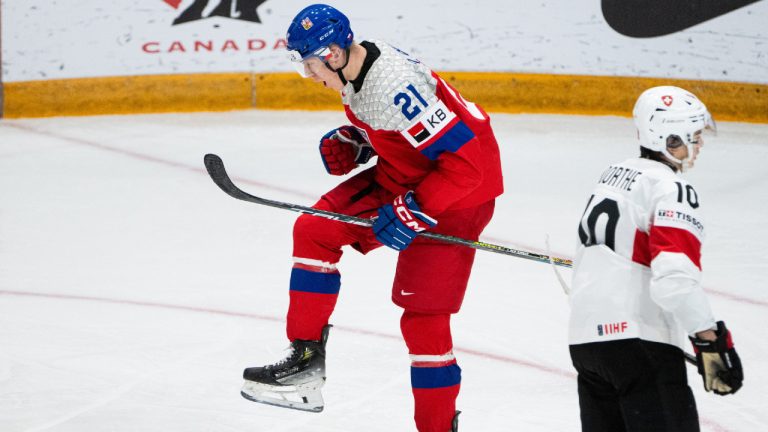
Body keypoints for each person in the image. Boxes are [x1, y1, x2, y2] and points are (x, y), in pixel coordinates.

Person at [239, 4, 503, 432]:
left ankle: (436, 427)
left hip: (459, 198)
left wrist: (415, 210)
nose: (310, 76)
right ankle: (305, 363)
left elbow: (465, 166)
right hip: (408, 176)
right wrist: (361, 142)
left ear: (334, 55)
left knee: (423, 320)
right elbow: (403, 133)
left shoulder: (393, 84)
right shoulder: (359, 69)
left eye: (312, 65)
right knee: (314, 229)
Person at [568, 86, 744, 431]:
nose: (699, 144)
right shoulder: (671, 187)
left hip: (586, 344)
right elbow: (674, 280)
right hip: (639, 343)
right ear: (670, 137)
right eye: (693, 135)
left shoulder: (612, 175)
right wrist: (709, 338)